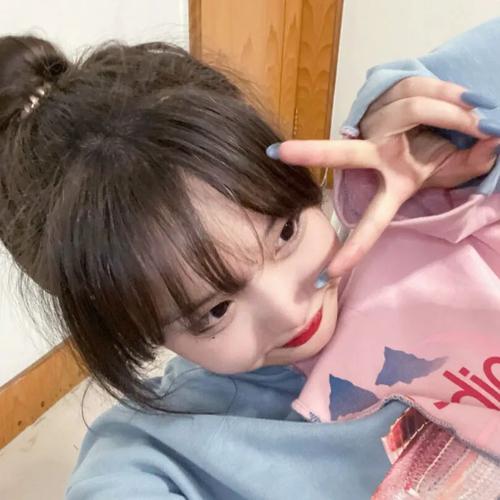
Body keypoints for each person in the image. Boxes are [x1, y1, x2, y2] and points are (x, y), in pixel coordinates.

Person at [0, 20, 497, 500]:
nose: (288, 310)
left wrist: (446, 110)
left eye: (285, 232)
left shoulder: (429, 225)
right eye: (213, 311)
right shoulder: (155, 453)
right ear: (136, 329)